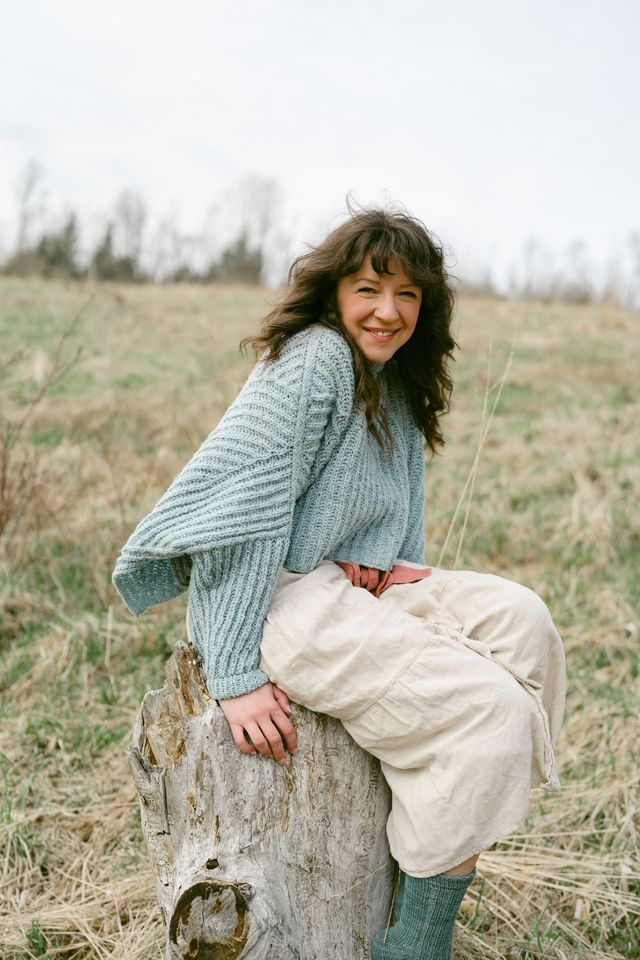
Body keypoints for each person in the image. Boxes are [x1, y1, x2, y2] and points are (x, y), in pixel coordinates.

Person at [112, 208, 566, 960]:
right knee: (489, 714)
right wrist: (232, 672)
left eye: (409, 295)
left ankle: (452, 795)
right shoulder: (317, 358)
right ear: (335, 292)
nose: (389, 311)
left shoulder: (395, 377)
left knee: (525, 620)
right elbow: (248, 514)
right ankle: (415, 943)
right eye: (368, 289)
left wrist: (383, 562)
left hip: (347, 583)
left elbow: (386, 507)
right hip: (273, 596)